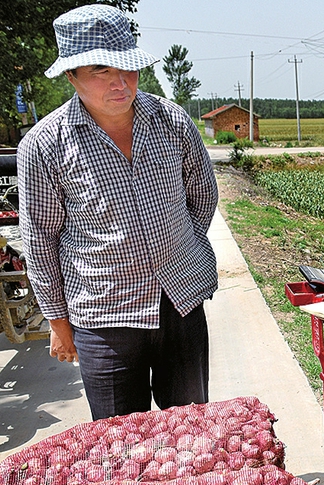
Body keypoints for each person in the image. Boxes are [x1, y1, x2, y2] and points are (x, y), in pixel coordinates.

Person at [17, 4, 219, 421]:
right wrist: (58, 321)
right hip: (104, 314)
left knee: (191, 428)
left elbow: (203, 195)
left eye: (126, 68)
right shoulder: (44, 145)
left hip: (180, 302)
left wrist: (181, 245)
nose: (119, 82)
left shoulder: (172, 121)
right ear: (72, 77)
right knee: (120, 442)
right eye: (100, 71)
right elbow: (40, 239)